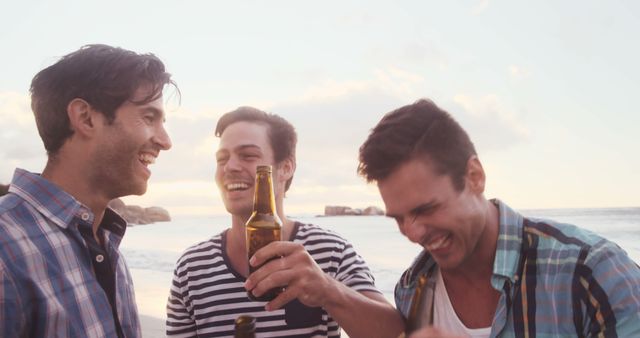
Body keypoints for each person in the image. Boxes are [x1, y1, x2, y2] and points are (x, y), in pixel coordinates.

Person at [357, 99, 640, 337]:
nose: (414, 233)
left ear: (474, 177)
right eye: (399, 219)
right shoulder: (411, 287)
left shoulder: (592, 272)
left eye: (426, 209)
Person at [166, 107, 403, 337]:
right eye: (222, 159)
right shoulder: (191, 268)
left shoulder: (331, 251)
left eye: (248, 155)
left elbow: (398, 333)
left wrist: (328, 290)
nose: (230, 167)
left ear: (285, 168)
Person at [0, 44, 176, 337]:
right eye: (149, 118)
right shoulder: (6, 252)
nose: (165, 141)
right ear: (85, 118)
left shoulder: (106, 245)